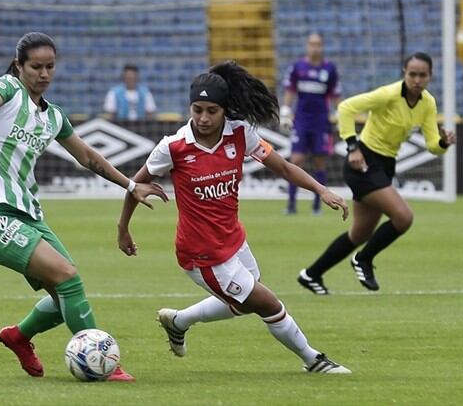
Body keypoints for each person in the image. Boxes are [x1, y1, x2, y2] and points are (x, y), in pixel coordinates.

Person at [0, 32, 168, 381]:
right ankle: (104, 364)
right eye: (35, 66)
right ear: (19, 66)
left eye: (49, 66)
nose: (43, 73)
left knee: (66, 294)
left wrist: (131, 184)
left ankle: (19, 336)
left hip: (29, 216)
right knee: (66, 277)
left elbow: (88, 157)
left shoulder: (53, 117)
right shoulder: (7, 89)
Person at [117, 61, 352, 374]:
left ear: (224, 110)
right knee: (268, 304)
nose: (203, 118)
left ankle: (178, 321)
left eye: (211, 110)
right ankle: (314, 360)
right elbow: (135, 184)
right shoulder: (173, 147)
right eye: (197, 109)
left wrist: (321, 190)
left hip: (233, 240)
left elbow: (283, 167)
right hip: (202, 254)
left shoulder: (241, 135)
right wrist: (124, 228)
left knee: (244, 305)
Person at [297, 52, 456, 295]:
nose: (417, 79)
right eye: (412, 74)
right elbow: (346, 108)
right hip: (363, 164)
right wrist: (352, 147)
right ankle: (363, 260)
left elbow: (432, 144)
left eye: (422, 75)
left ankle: (311, 274)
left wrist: (443, 143)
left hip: (385, 165)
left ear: (430, 77)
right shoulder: (389, 94)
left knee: (360, 233)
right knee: (403, 217)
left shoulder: (427, 103)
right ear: (404, 72)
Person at [280, 33, 341, 215]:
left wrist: (340, 112)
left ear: (322, 46)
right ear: (307, 46)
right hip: (301, 122)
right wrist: (285, 109)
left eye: (318, 44)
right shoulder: (298, 67)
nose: (315, 48)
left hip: (321, 122)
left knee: (319, 163)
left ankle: (317, 205)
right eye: (312, 44)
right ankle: (291, 204)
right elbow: (290, 90)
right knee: (296, 160)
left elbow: (336, 95)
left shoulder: (330, 69)